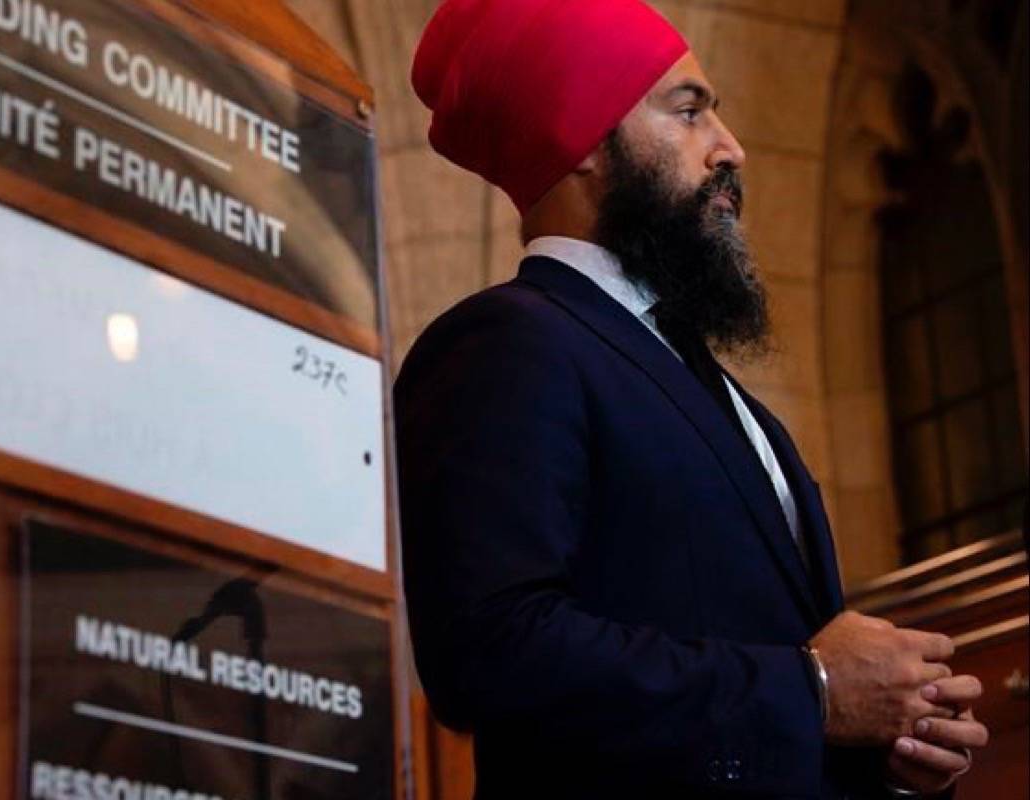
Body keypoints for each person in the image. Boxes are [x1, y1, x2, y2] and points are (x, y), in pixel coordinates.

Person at [393, 1, 989, 797]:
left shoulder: (727, 396)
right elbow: (491, 649)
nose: (730, 148)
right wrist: (811, 688)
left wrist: (887, 747)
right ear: (583, 139)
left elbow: (781, 690)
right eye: (688, 111)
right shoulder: (509, 342)